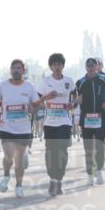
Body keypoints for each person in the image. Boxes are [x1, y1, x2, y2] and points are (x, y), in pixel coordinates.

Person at [0, 60, 42, 198]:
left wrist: (33, 108)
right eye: (13, 68)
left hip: (23, 128)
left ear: (23, 70)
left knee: (19, 159)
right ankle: (6, 176)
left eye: (19, 68)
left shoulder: (29, 86)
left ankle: (19, 186)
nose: (16, 70)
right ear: (10, 70)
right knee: (8, 156)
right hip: (6, 126)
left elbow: (36, 104)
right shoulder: (3, 85)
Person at [39, 53, 76, 196]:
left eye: (59, 64)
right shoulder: (45, 82)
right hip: (50, 123)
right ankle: (52, 179)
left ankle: (59, 180)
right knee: (50, 152)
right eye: (54, 64)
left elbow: (74, 96)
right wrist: (46, 99)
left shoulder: (69, 81)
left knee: (62, 151)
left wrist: (72, 104)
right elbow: (37, 99)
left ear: (63, 66)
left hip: (65, 122)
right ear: (50, 66)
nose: (57, 67)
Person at [76, 58, 105, 184]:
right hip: (86, 119)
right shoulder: (80, 82)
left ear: (97, 66)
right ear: (85, 67)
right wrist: (77, 100)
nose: (91, 68)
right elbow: (73, 98)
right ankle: (89, 175)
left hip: (100, 118)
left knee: (99, 146)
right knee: (88, 148)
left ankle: (99, 171)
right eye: (88, 65)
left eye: (93, 65)